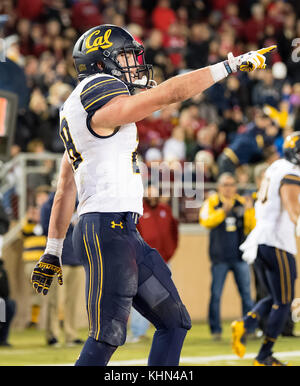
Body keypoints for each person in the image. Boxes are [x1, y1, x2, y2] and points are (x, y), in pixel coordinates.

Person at [30, 24, 275, 366]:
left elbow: (64, 189)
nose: (134, 64)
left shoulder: (76, 112)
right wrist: (228, 66)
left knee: (174, 322)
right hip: (106, 228)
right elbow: (167, 95)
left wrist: (53, 250)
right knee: (107, 335)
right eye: (126, 56)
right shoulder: (97, 89)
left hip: (120, 230)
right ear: (100, 65)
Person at [232, 131, 300, 366]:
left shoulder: (277, 166)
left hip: (261, 239)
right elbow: (293, 211)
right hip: (276, 241)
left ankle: (246, 323)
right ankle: (264, 356)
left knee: (275, 295)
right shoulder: (291, 173)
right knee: (284, 301)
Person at [199, 173, 256, 340]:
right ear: (219, 187)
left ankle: (249, 328)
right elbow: (205, 221)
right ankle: (215, 330)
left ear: (235, 187)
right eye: (225, 185)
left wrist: (249, 211)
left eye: (231, 184)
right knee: (216, 295)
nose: (228, 188)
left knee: (246, 295)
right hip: (220, 258)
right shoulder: (212, 202)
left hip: (240, 257)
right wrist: (222, 212)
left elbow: (251, 227)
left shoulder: (242, 202)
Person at [127, 184, 179, 342]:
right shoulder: (138, 211)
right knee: (142, 296)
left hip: (163, 261)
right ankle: (138, 332)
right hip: (143, 262)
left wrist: (169, 253)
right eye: (150, 193)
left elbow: (174, 233)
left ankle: (166, 329)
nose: (153, 196)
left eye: (155, 193)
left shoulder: (165, 210)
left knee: (162, 298)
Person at [40, 192, 84, 347]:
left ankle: (71, 334)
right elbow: (46, 228)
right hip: (58, 258)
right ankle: (53, 335)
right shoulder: (50, 203)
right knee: (55, 300)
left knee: (72, 301)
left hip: (77, 258)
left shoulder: (82, 203)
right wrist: (66, 222)